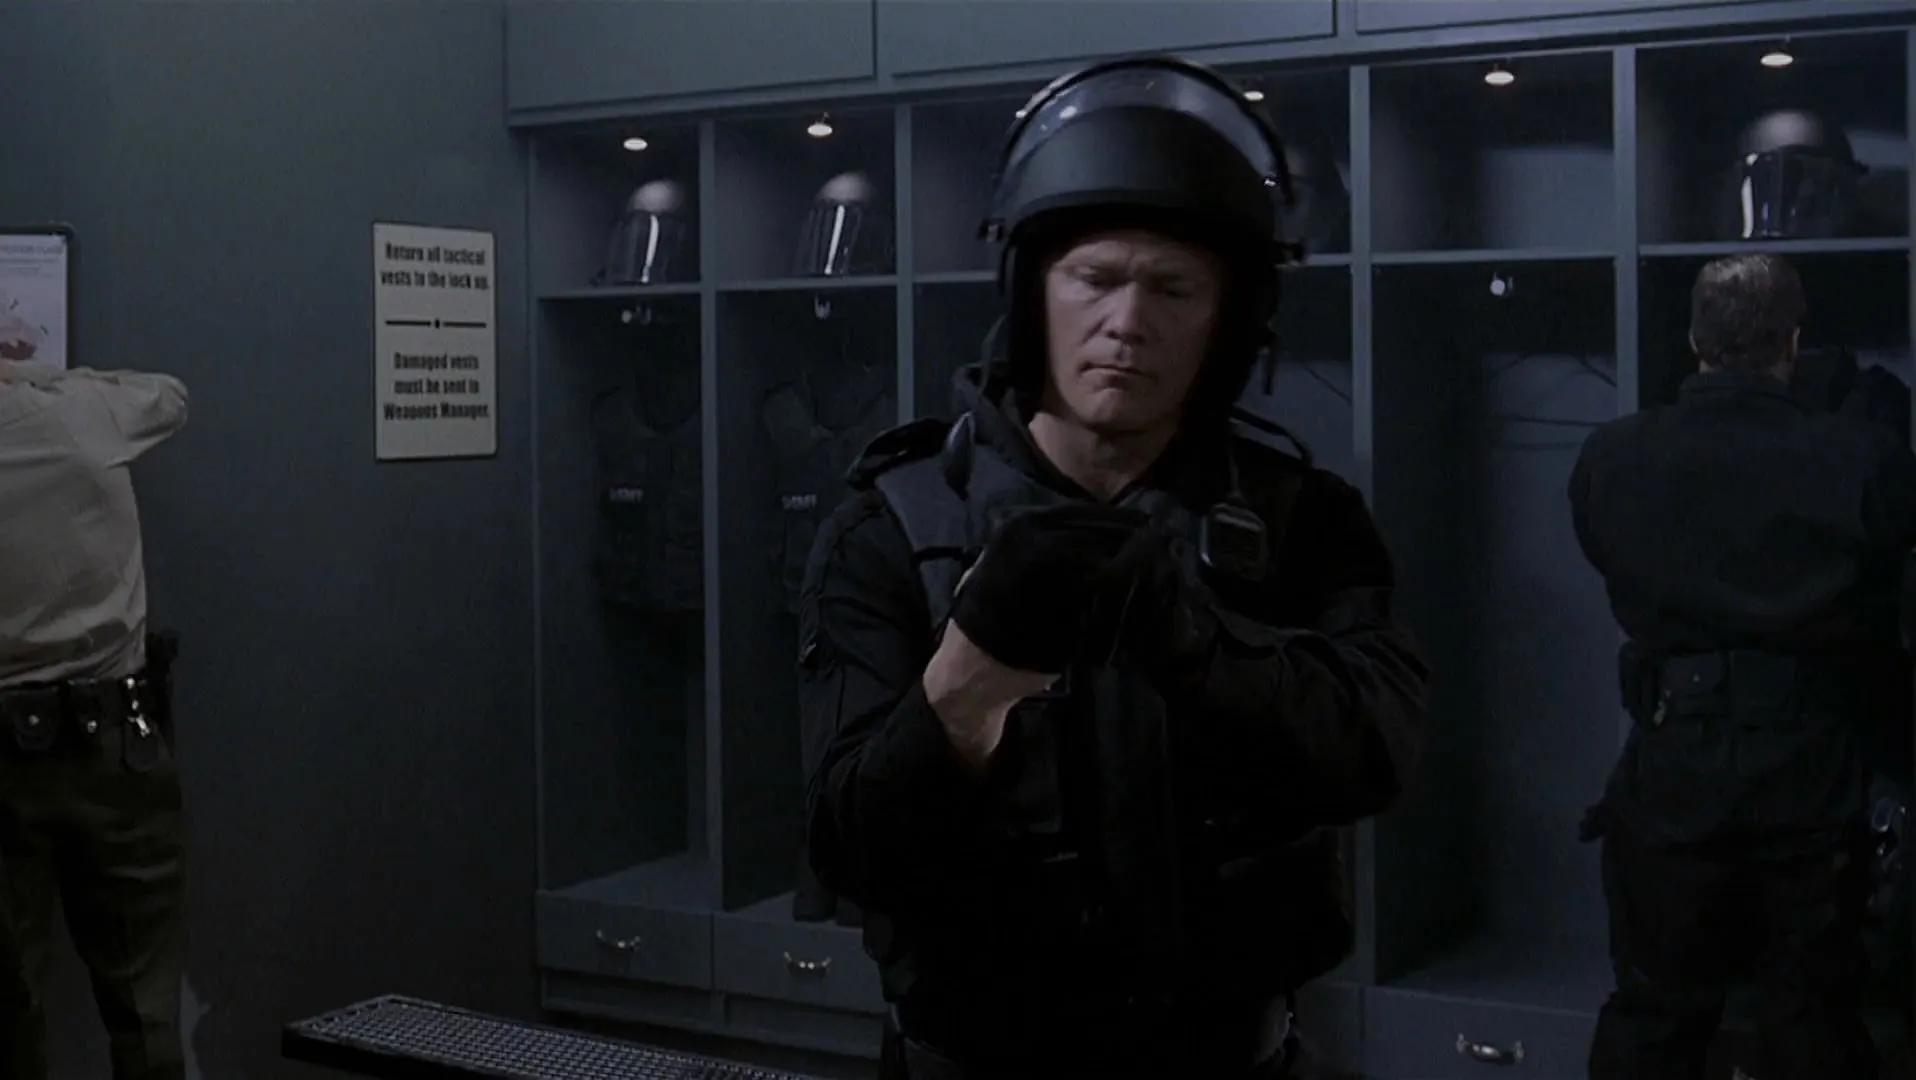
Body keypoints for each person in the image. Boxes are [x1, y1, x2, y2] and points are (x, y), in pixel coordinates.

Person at [798, 55, 1430, 1079]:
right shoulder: (889, 527)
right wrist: (967, 675)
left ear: (1229, 317)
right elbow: (846, 845)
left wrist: (1200, 644)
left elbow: (1378, 754)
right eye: (1094, 279)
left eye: (1173, 288)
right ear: (1031, 291)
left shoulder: (1304, 522)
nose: (1127, 325)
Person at [1569, 252, 1915, 1080]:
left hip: (1673, 763)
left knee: (1656, 1016)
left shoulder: (1611, 457)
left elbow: (1606, 552)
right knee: (1812, 1016)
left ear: (1696, 340)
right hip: (1812, 769)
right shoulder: (1865, 458)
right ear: (1793, 341)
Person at [0, 359, 191, 1080]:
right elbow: (169, 395)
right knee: (146, 1012)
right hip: (117, 743)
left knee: (11, 1013)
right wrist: (31, 370)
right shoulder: (84, 412)